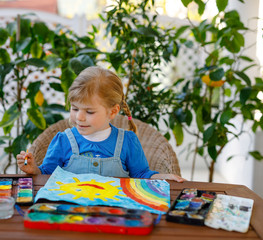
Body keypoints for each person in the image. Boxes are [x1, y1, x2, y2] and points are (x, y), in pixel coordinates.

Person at [17, 66, 185, 182]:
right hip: (72, 217)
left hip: (115, 217)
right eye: (75, 108)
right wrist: (34, 170)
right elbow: (46, 174)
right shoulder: (62, 141)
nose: (80, 117)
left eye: (89, 112)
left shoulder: (127, 141)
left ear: (112, 112)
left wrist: (163, 177)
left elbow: (141, 175)